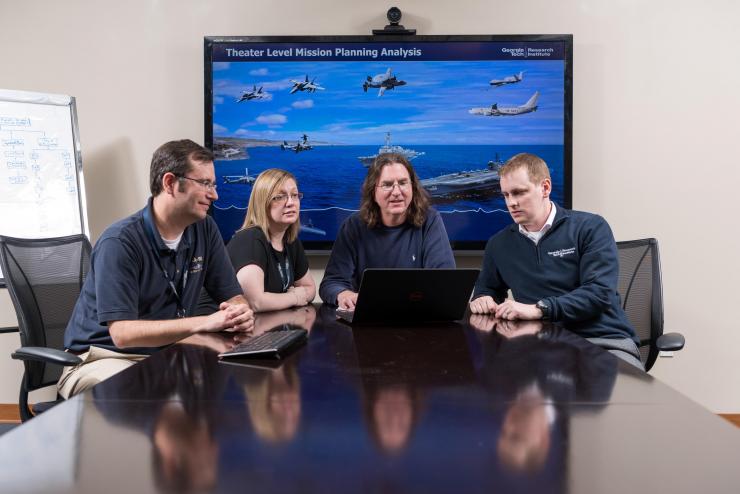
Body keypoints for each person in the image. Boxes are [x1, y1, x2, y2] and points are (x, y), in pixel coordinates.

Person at [59, 139, 254, 398]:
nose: (215, 195)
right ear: (170, 183)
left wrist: (240, 312)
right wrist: (206, 322)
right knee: (146, 396)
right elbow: (123, 334)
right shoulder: (120, 242)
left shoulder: (204, 229)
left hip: (163, 353)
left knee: (225, 385)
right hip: (100, 358)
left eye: (214, 184)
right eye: (205, 183)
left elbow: (232, 296)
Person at [469, 153, 641, 368]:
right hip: (539, 345)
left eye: (519, 193)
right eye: (505, 195)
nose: (511, 203)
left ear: (545, 188)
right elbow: (487, 289)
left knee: (606, 399)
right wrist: (483, 299)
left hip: (603, 342)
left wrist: (540, 309)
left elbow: (599, 293)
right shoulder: (498, 244)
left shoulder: (590, 227)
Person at [319, 153, 455, 308]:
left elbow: (445, 281)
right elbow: (331, 283)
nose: (396, 192)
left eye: (403, 183)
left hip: (417, 316)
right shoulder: (353, 225)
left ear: (413, 187)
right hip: (367, 321)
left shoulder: (430, 220)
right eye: (387, 184)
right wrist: (344, 294)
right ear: (373, 192)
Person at [226, 169, 315, 312]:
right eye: (280, 197)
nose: (290, 203)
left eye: (294, 195)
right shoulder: (249, 239)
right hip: (215, 331)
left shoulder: (291, 241)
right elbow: (255, 302)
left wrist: (280, 299)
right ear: (263, 203)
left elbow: (310, 289)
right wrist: (294, 297)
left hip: (271, 328)